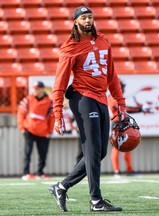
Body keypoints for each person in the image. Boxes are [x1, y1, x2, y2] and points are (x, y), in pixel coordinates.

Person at [49, 6, 125, 212]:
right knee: (92, 149)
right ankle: (95, 201)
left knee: (99, 153)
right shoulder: (70, 46)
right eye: (83, 17)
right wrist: (58, 114)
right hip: (82, 97)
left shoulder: (103, 40)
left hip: (100, 97)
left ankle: (61, 186)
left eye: (90, 17)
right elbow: (59, 83)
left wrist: (120, 102)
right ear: (75, 22)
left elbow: (112, 75)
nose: (88, 20)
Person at [17, 81, 54, 180]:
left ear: (42, 89)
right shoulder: (27, 100)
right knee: (27, 152)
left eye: (37, 88)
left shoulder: (49, 102)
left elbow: (52, 117)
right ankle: (26, 173)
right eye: (34, 88)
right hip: (29, 130)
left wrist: (49, 131)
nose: (35, 90)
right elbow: (21, 113)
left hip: (43, 132)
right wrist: (22, 128)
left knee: (43, 154)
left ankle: (40, 173)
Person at [108, 81, 142, 177]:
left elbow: (124, 109)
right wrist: (139, 109)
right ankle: (116, 171)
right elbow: (121, 109)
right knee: (116, 147)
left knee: (128, 145)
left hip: (123, 122)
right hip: (116, 124)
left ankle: (129, 170)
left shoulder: (117, 97)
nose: (121, 89)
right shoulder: (111, 97)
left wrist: (139, 109)